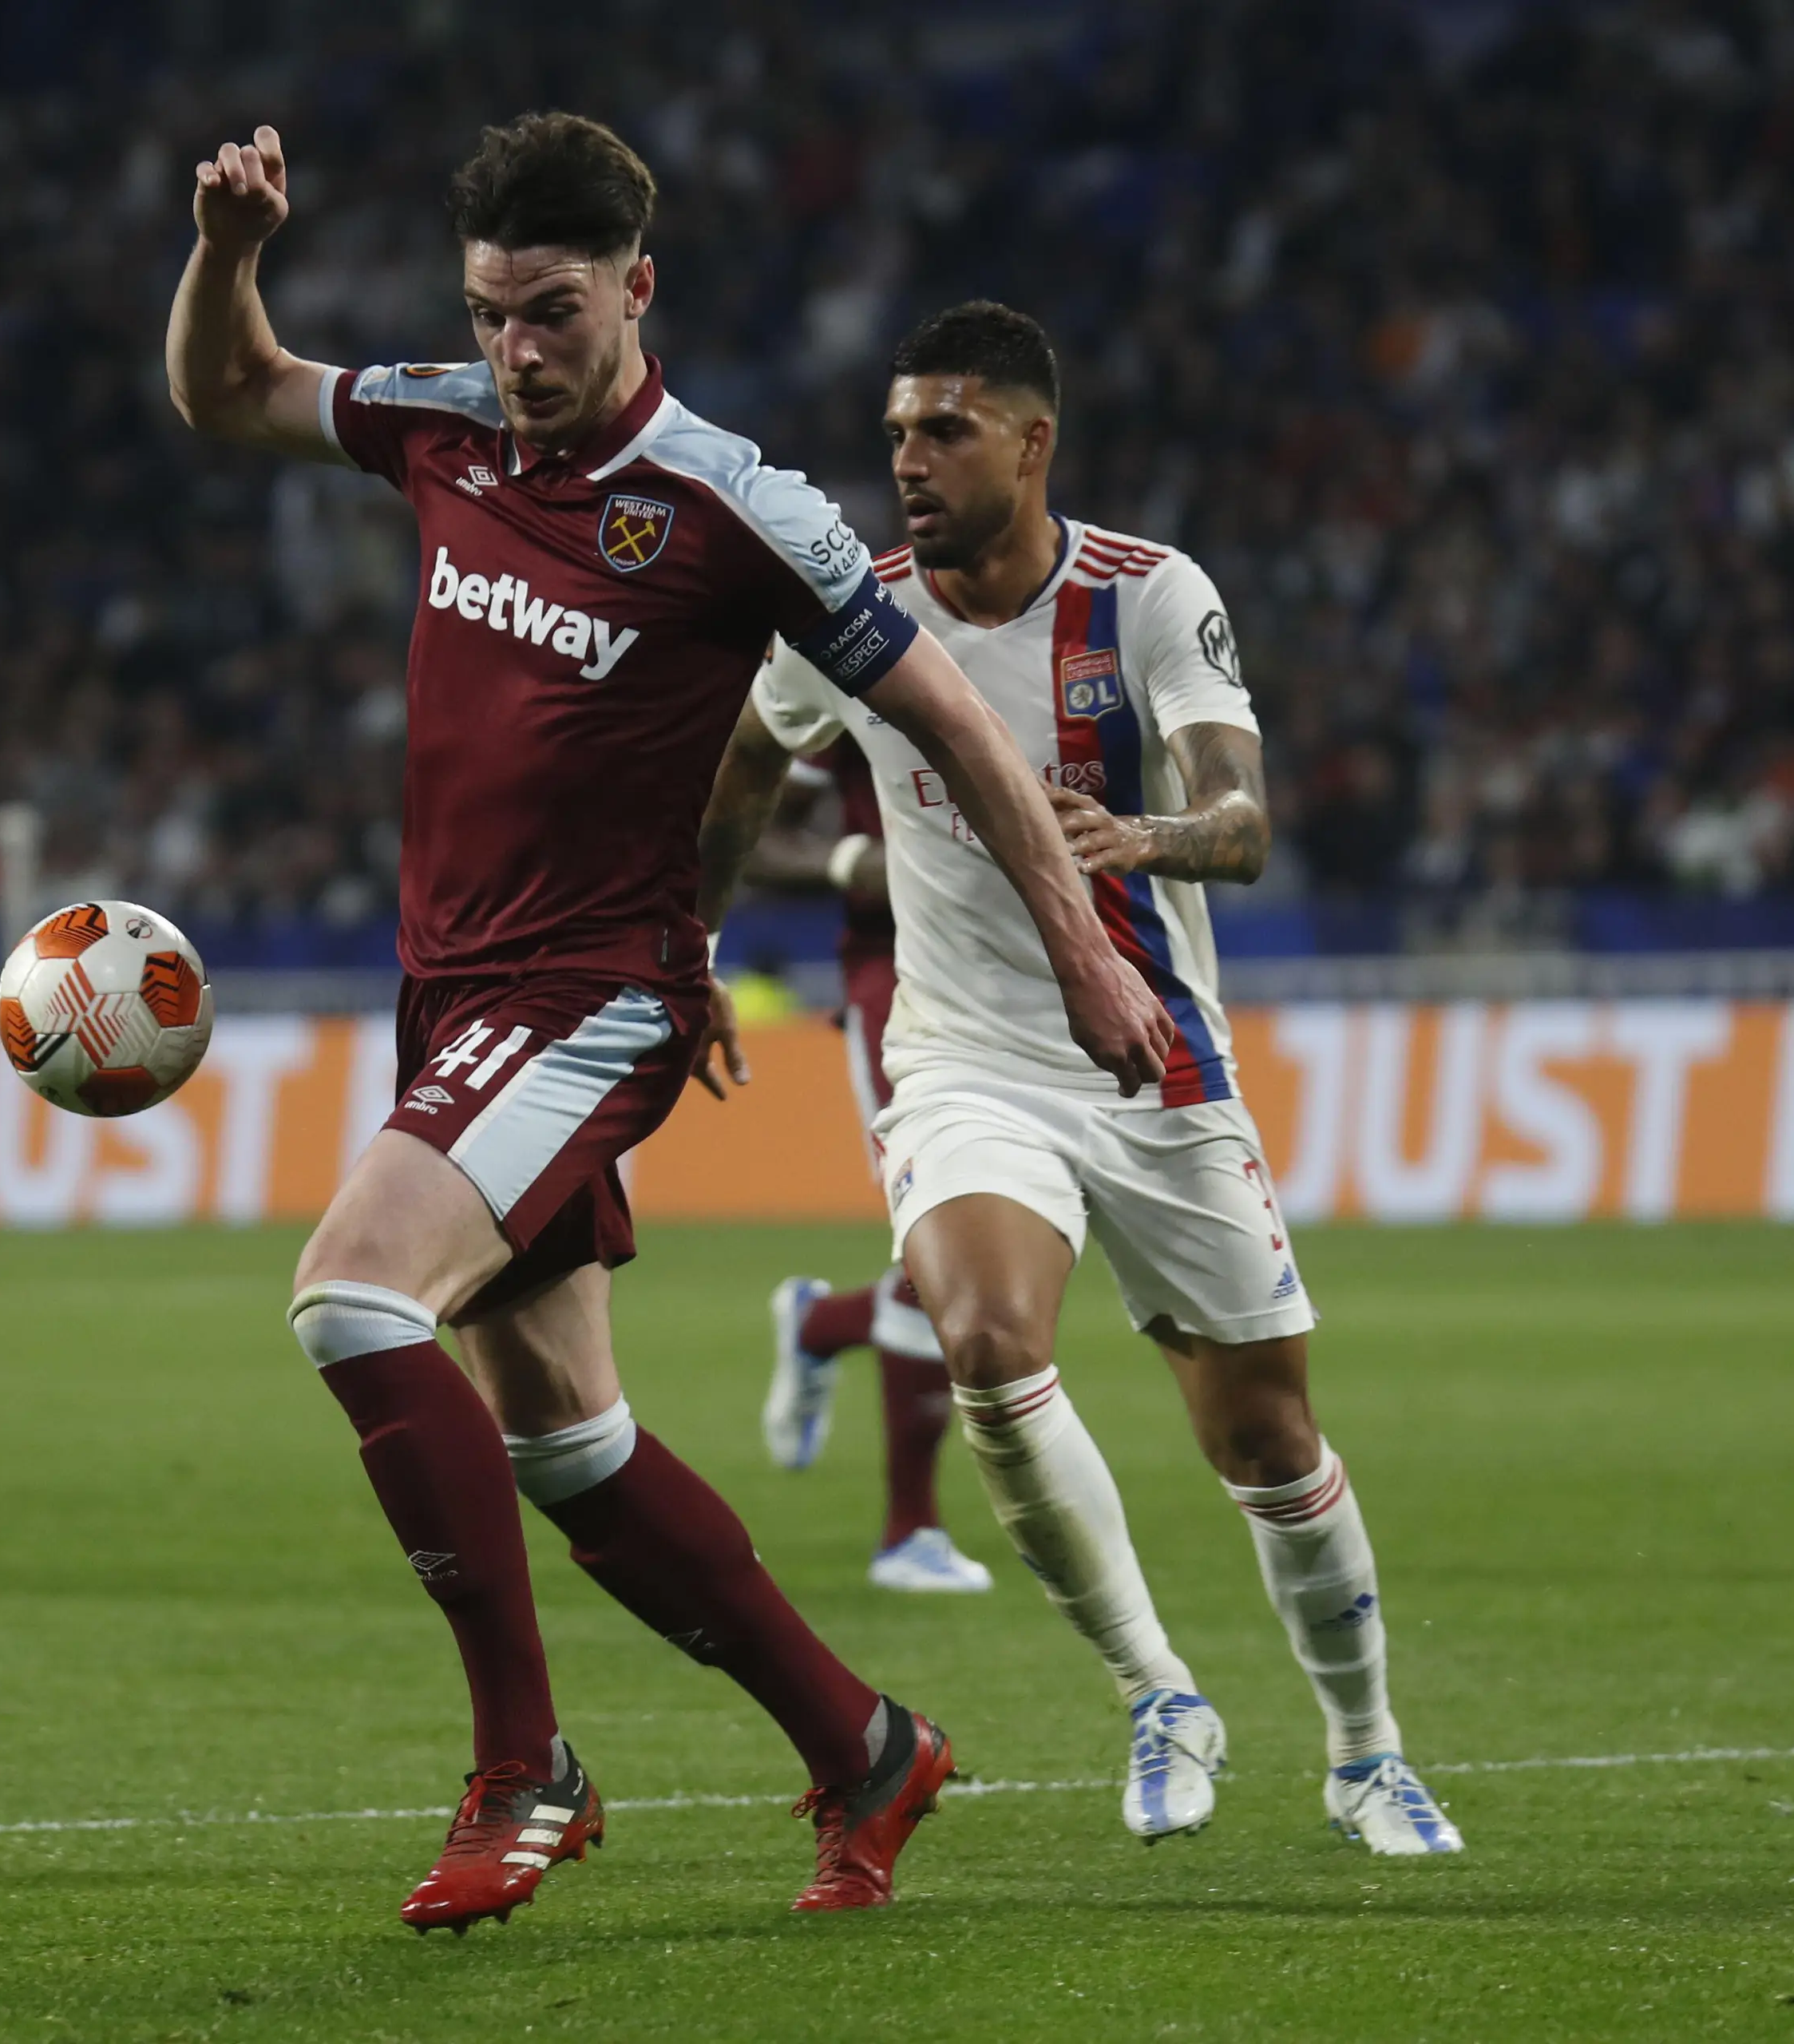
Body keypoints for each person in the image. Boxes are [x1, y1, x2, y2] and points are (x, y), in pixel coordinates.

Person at [165, 117, 1176, 1929]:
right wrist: (227, 248)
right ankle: (864, 1740)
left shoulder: (730, 504)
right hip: (452, 990)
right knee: (567, 1444)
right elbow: (227, 393)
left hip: (585, 994)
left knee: (348, 1289)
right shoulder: (443, 423)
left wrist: (1090, 959)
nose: (515, 356)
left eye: (550, 314)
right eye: (489, 315)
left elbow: (954, 724)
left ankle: (520, 1763)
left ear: (637, 289)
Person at [695, 301, 1462, 1857]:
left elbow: (1242, 823)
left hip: (1155, 1058)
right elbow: (734, 789)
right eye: (900, 428)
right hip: (964, 1054)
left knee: (1267, 1440)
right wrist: (685, 951)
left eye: (946, 428)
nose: (909, 456)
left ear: (1033, 442)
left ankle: (1366, 1748)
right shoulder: (850, 613)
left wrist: (1140, 835)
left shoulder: (1148, 595)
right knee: (982, 1336)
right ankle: (1159, 1689)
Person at [744, 743, 991, 1594]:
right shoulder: (853, 644)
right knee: (941, 1256)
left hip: (1027, 983)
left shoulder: (1055, 634)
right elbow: (748, 827)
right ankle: (910, 1528)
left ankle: (820, 1325)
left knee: (993, 1265)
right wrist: (854, 859)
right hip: (902, 988)